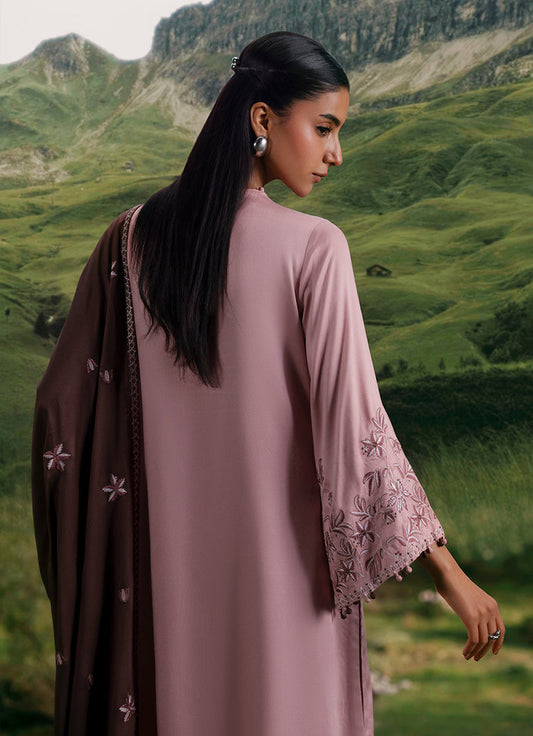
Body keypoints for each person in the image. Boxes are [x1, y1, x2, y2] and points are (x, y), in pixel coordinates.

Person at [32, 31, 504, 736]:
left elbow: (59, 411)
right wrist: (447, 572)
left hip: (161, 609)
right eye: (324, 128)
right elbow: (357, 430)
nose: (336, 154)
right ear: (262, 119)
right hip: (290, 595)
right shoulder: (315, 248)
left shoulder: (125, 244)